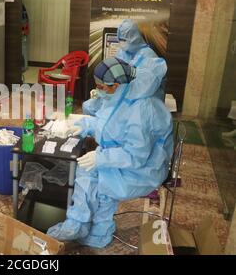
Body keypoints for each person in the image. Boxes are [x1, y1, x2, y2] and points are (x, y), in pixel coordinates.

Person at [47, 57, 173, 248]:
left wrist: (101, 158)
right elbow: (107, 122)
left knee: (103, 182)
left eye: (101, 87)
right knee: (86, 171)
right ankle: (77, 222)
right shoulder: (121, 96)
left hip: (146, 166)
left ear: (115, 85)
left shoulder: (141, 109)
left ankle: (99, 233)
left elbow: (136, 155)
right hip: (122, 155)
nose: (98, 91)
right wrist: (83, 125)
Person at [83, 19, 167, 116]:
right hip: (122, 94)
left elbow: (142, 88)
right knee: (90, 106)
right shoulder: (123, 52)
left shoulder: (149, 56)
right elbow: (114, 73)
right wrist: (104, 90)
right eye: (120, 39)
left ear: (135, 38)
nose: (122, 43)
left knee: (109, 116)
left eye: (125, 39)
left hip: (141, 102)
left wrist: (115, 94)